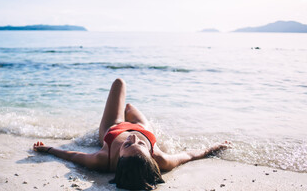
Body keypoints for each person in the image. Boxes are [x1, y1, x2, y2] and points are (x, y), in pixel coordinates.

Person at [33, 78, 230, 190]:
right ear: (151, 158)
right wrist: (214, 148)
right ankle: (132, 116)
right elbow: (189, 155)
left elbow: (73, 155)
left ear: (118, 160)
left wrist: (49, 149)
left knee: (119, 83)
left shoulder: (102, 159)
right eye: (141, 145)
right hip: (143, 127)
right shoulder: (162, 160)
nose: (133, 138)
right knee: (129, 107)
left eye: (128, 145)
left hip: (114, 127)